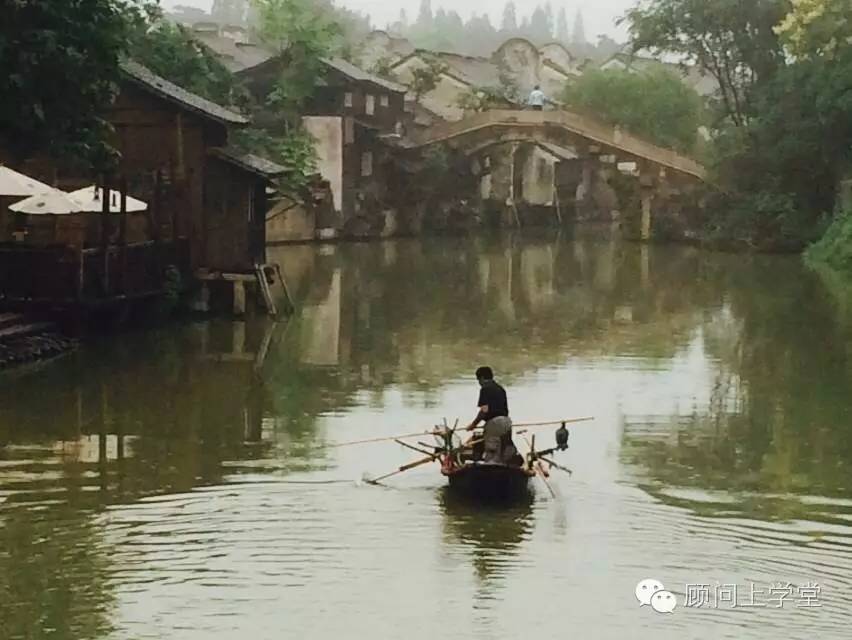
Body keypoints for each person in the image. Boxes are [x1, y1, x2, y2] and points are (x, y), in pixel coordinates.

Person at [466, 367, 521, 465]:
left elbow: (484, 411)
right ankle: (506, 467)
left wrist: (473, 425)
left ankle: (491, 470)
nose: (479, 383)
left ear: (482, 378)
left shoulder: (485, 389)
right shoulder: (500, 388)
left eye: (478, 380)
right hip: (506, 422)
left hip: (494, 423)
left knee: (492, 451)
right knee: (504, 450)